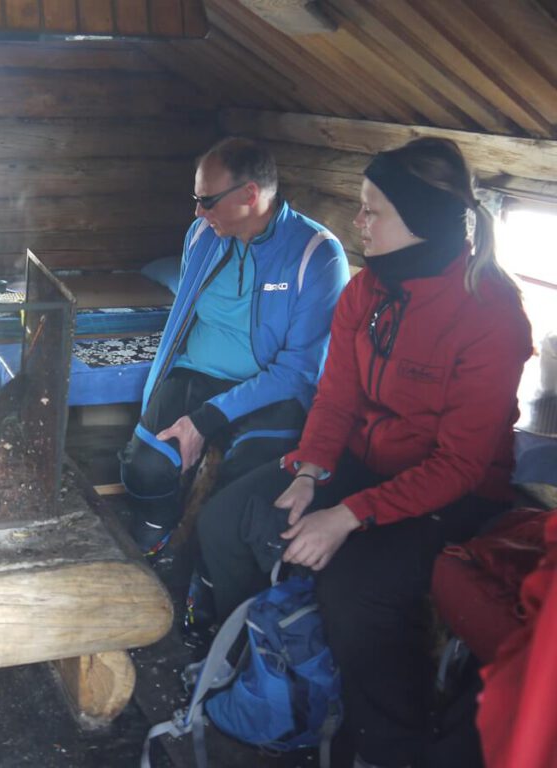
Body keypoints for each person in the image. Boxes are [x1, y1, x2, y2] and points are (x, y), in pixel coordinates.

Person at [194, 137, 532, 768]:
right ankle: (268, 670)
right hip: (360, 463)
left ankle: (385, 744)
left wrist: (345, 516)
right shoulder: (367, 291)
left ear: (420, 220)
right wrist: (310, 472)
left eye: (373, 211)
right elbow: (335, 400)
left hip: (454, 496)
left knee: (356, 589)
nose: (359, 222)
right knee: (232, 519)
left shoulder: (490, 311)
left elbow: (460, 465)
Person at [119, 137, 350, 558]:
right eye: (196, 199)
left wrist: (204, 421)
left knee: (244, 482)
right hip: (197, 373)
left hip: (271, 389)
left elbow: (299, 369)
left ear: (250, 195)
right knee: (147, 466)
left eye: (207, 201)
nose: (198, 212)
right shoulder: (202, 235)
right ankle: (154, 543)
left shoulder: (317, 254)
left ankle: (204, 571)